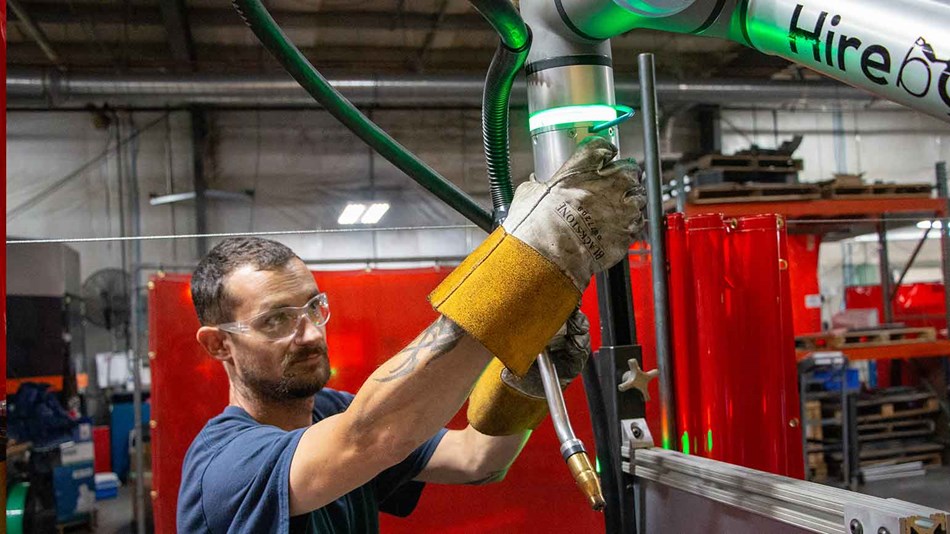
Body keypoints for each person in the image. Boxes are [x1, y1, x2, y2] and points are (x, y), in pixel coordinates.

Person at [176, 137, 645, 533]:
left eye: (314, 309)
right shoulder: (224, 466)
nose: (308, 334)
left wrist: (523, 384)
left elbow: (477, 459)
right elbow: (373, 435)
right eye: (275, 320)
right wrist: (527, 267)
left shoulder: (330, 412)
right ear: (219, 344)